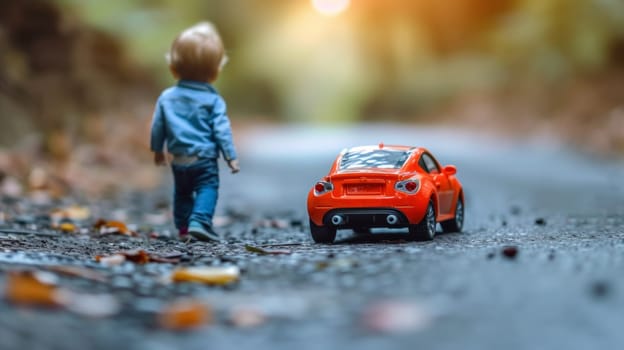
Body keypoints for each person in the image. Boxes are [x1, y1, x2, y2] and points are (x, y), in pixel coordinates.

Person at [150, 22, 239, 242]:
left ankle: (183, 229)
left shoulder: (166, 97)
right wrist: (230, 156)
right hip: (204, 159)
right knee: (207, 188)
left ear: (173, 68)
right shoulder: (213, 100)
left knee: (182, 193)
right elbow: (221, 130)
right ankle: (199, 221)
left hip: (179, 159)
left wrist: (157, 150)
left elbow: (158, 126)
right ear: (215, 72)